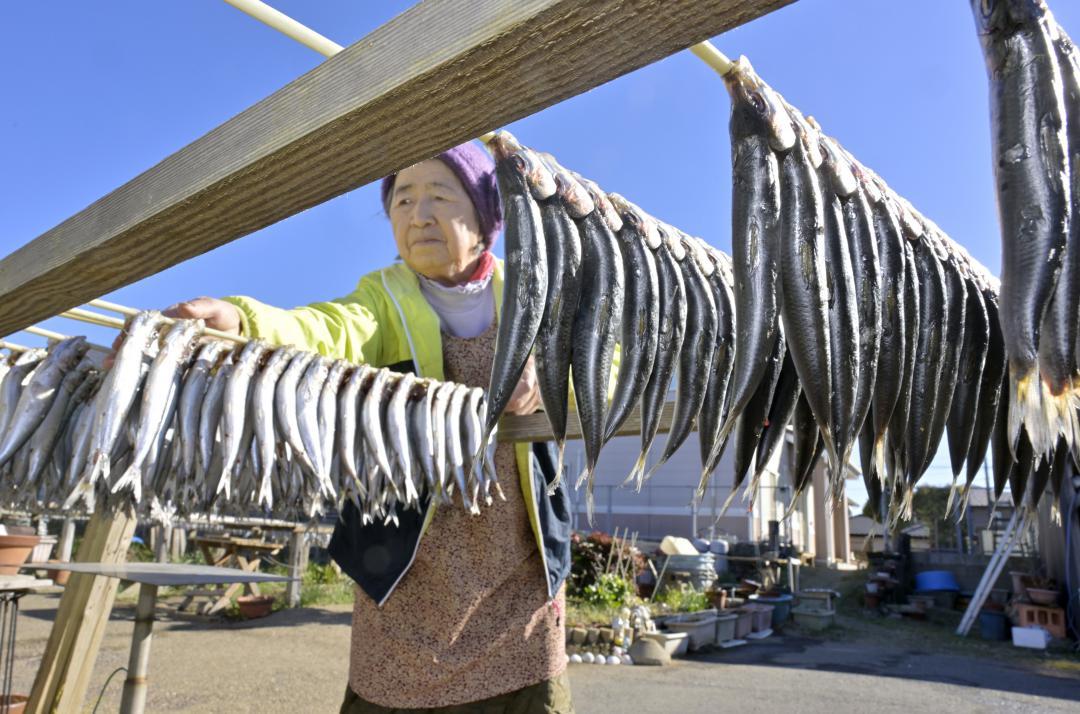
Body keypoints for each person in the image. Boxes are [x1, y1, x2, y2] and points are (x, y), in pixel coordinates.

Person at [162, 142, 575, 713]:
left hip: (516, 581)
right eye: (402, 200)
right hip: (405, 577)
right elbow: (326, 331)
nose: (418, 215)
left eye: (440, 196)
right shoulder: (383, 298)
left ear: (485, 215)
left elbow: (608, 367)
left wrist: (552, 377)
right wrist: (242, 320)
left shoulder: (536, 296)